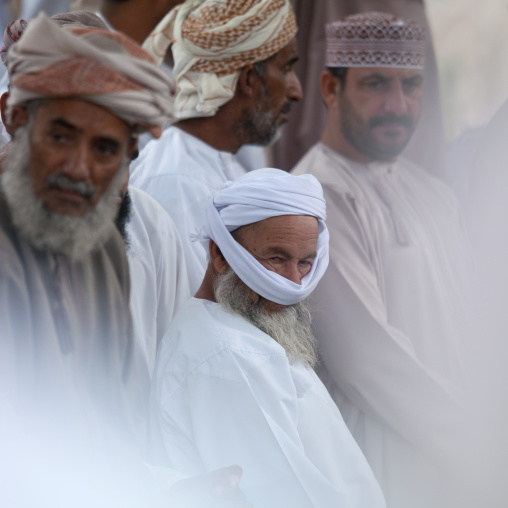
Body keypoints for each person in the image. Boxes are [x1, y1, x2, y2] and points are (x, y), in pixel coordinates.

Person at [292, 12, 474, 508]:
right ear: (330, 88)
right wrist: (478, 443)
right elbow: (367, 363)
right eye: (376, 84)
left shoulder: (433, 194)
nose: (398, 105)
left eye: (411, 85)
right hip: (383, 466)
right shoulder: (313, 197)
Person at [0, 14, 175, 504]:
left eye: (104, 149)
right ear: (15, 119)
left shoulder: (103, 254)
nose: (79, 169)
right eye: (60, 136)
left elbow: (113, 422)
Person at [148, 168, 386, 508]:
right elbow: (285, 494)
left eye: (305, 263)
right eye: (275, 259)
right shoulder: (227, 356)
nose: (292, 282)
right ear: (219, 254)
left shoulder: (240, 331)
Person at [130, 0, 303, 293]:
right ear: (249, 80)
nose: (296, 91)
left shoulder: (222, 165)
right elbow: (194, 322)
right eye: (286, 69)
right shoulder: (176, 183)